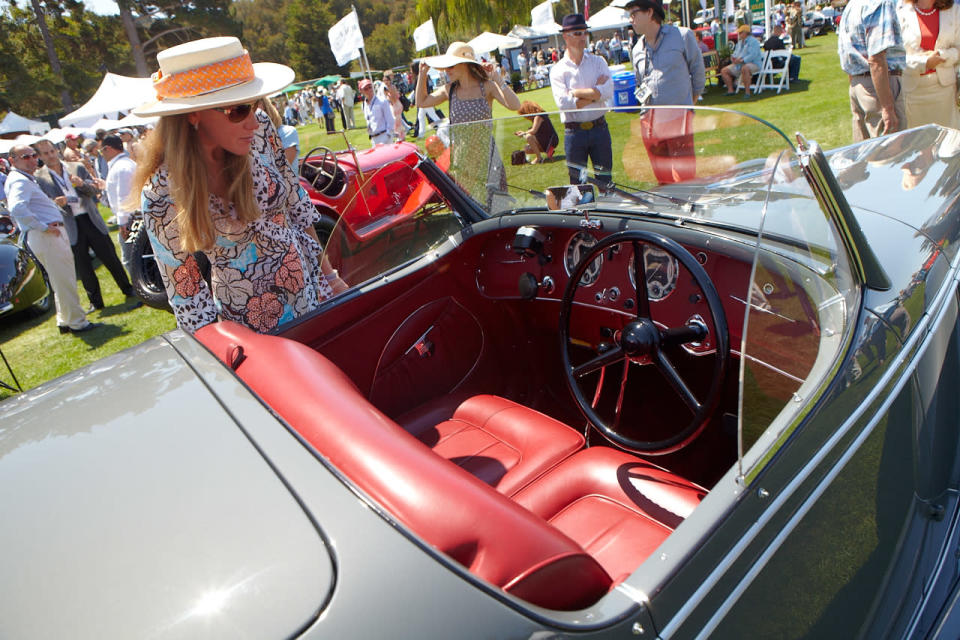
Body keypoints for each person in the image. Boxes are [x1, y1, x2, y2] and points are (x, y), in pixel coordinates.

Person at [131, 36, 346, 333]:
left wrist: (331, 277)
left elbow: (297, 203)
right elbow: (187, 294)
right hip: (252, 327)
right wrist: (228, 356)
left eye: (254, 105)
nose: (254, 121)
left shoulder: (260, 132)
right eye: (238, 110)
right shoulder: (161, 193)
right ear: (193, 115)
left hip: (310, 294)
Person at [33, 139, 141, 311]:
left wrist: (82, 184)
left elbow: (94, 190)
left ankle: (127, 288)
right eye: (45, 153)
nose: (51, 156)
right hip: (69, 223)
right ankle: (95, 301)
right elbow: (44, 204)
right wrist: (56, 203)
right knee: (83, 264)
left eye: (52, 151)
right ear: (40, 156)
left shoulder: (76, 167)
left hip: (90, 218)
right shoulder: (40, 178)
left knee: (109, 256)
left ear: (57, 151)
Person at [5, 145, 100, 334]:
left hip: (46, 235)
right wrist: (43, 226)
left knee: (59, 280)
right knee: (64, 280)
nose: (32, 159)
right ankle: (78, 322)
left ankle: (65, 320)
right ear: (12, 160)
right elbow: (17, 209)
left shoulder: (22, 179)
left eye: (33, 155)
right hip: (47, 235)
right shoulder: (19, 181)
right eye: (26, 156)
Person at [417, 41, 521, 208]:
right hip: (463, 160)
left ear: (464, 65)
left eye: (451, 65)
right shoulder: (449, 89)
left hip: (487, 158)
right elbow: (421, 102)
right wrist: (422, 74)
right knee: (471, 210)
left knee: (498, 209)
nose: (447, 70)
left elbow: (515, 105)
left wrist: (498, 79)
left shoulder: (487, 87)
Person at [628, 0, 705, 184]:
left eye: (634, 13)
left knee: (684, 177)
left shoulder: (682, 35)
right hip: (650, 122)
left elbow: (698, 73)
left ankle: (685, 209)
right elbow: (639, 82)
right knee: (662, 179)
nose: (631, 20)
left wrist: (688, 105)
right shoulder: (637, 48)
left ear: (649, 12)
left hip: (678, 118)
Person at [550, 14, 615, 187]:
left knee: (606, 182)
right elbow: (565, 105)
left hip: (599, 129)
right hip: (574, 134)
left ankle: (607, 211)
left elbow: (608, 91)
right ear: (566, 36)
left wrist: (577, 93)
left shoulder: (598, 61)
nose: (583, 37)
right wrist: (595, 92)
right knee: (578, 187)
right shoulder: (558, 71)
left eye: (585, 33)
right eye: (578, 33)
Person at [839, 0, 907, 140]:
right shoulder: (880, 3)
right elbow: (876, 59)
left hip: (858, 85)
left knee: (866, 154)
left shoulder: (852, 5)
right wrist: (887, 108)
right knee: (890, 153)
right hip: (879, 87)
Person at [897, 0, 960, 129]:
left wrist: (941, 56)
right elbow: (894, 57)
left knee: (948, 142)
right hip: (912, 92)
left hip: (945, 91)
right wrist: (924, 62)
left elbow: (958, 49)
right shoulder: (900, 11)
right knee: (917, 142)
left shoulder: (954, 10)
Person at [100, 135, 139, 275]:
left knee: (131, 260)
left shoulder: (121, 167)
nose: (102, 155)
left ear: (108, 148)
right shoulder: (125, 164)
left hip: (131, 219)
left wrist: (123, 223)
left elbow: (124, 197)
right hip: (132, 217)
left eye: (101, 151)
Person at [721, 24, 764, 96]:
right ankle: (730, 90)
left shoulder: (754, 41)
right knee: (724, 71)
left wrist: (743, 60)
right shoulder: (740, 42)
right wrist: (733, 58)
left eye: (741, 32)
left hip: (754, 64)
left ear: (746, 33)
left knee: (745, 68)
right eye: (739, 33)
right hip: (739, 64)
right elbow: (735, 53)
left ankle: (747, 92)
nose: (739, 34)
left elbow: (753, 55)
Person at [358, 78, 395, 146]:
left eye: (370, 87)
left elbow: (390, 120)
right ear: (361, 91)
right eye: (366, 89)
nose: (369, 90)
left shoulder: (382, 101)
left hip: (384, 135)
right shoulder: (364, 105)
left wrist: (388, 135)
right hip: (373, 138)